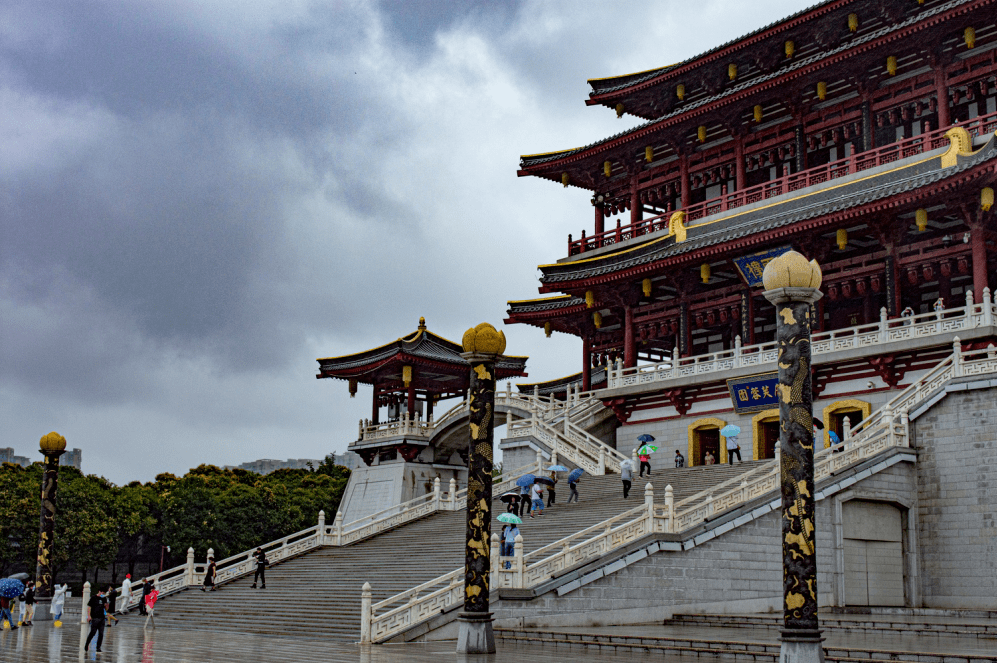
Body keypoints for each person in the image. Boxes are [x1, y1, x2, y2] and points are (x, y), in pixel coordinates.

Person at [85, 587, 108, 652]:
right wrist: (89, 616)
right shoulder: (93, 598)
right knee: (93, 632)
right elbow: (89, 607)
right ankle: (87, 644)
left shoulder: (104, 598)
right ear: (99, 591)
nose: (102, 594)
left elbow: (106, 609)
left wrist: (107, 604)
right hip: (95, 617)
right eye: (102, 592)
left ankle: (98, 647)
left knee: (101, 633)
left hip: (102, 618)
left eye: (104, 593)